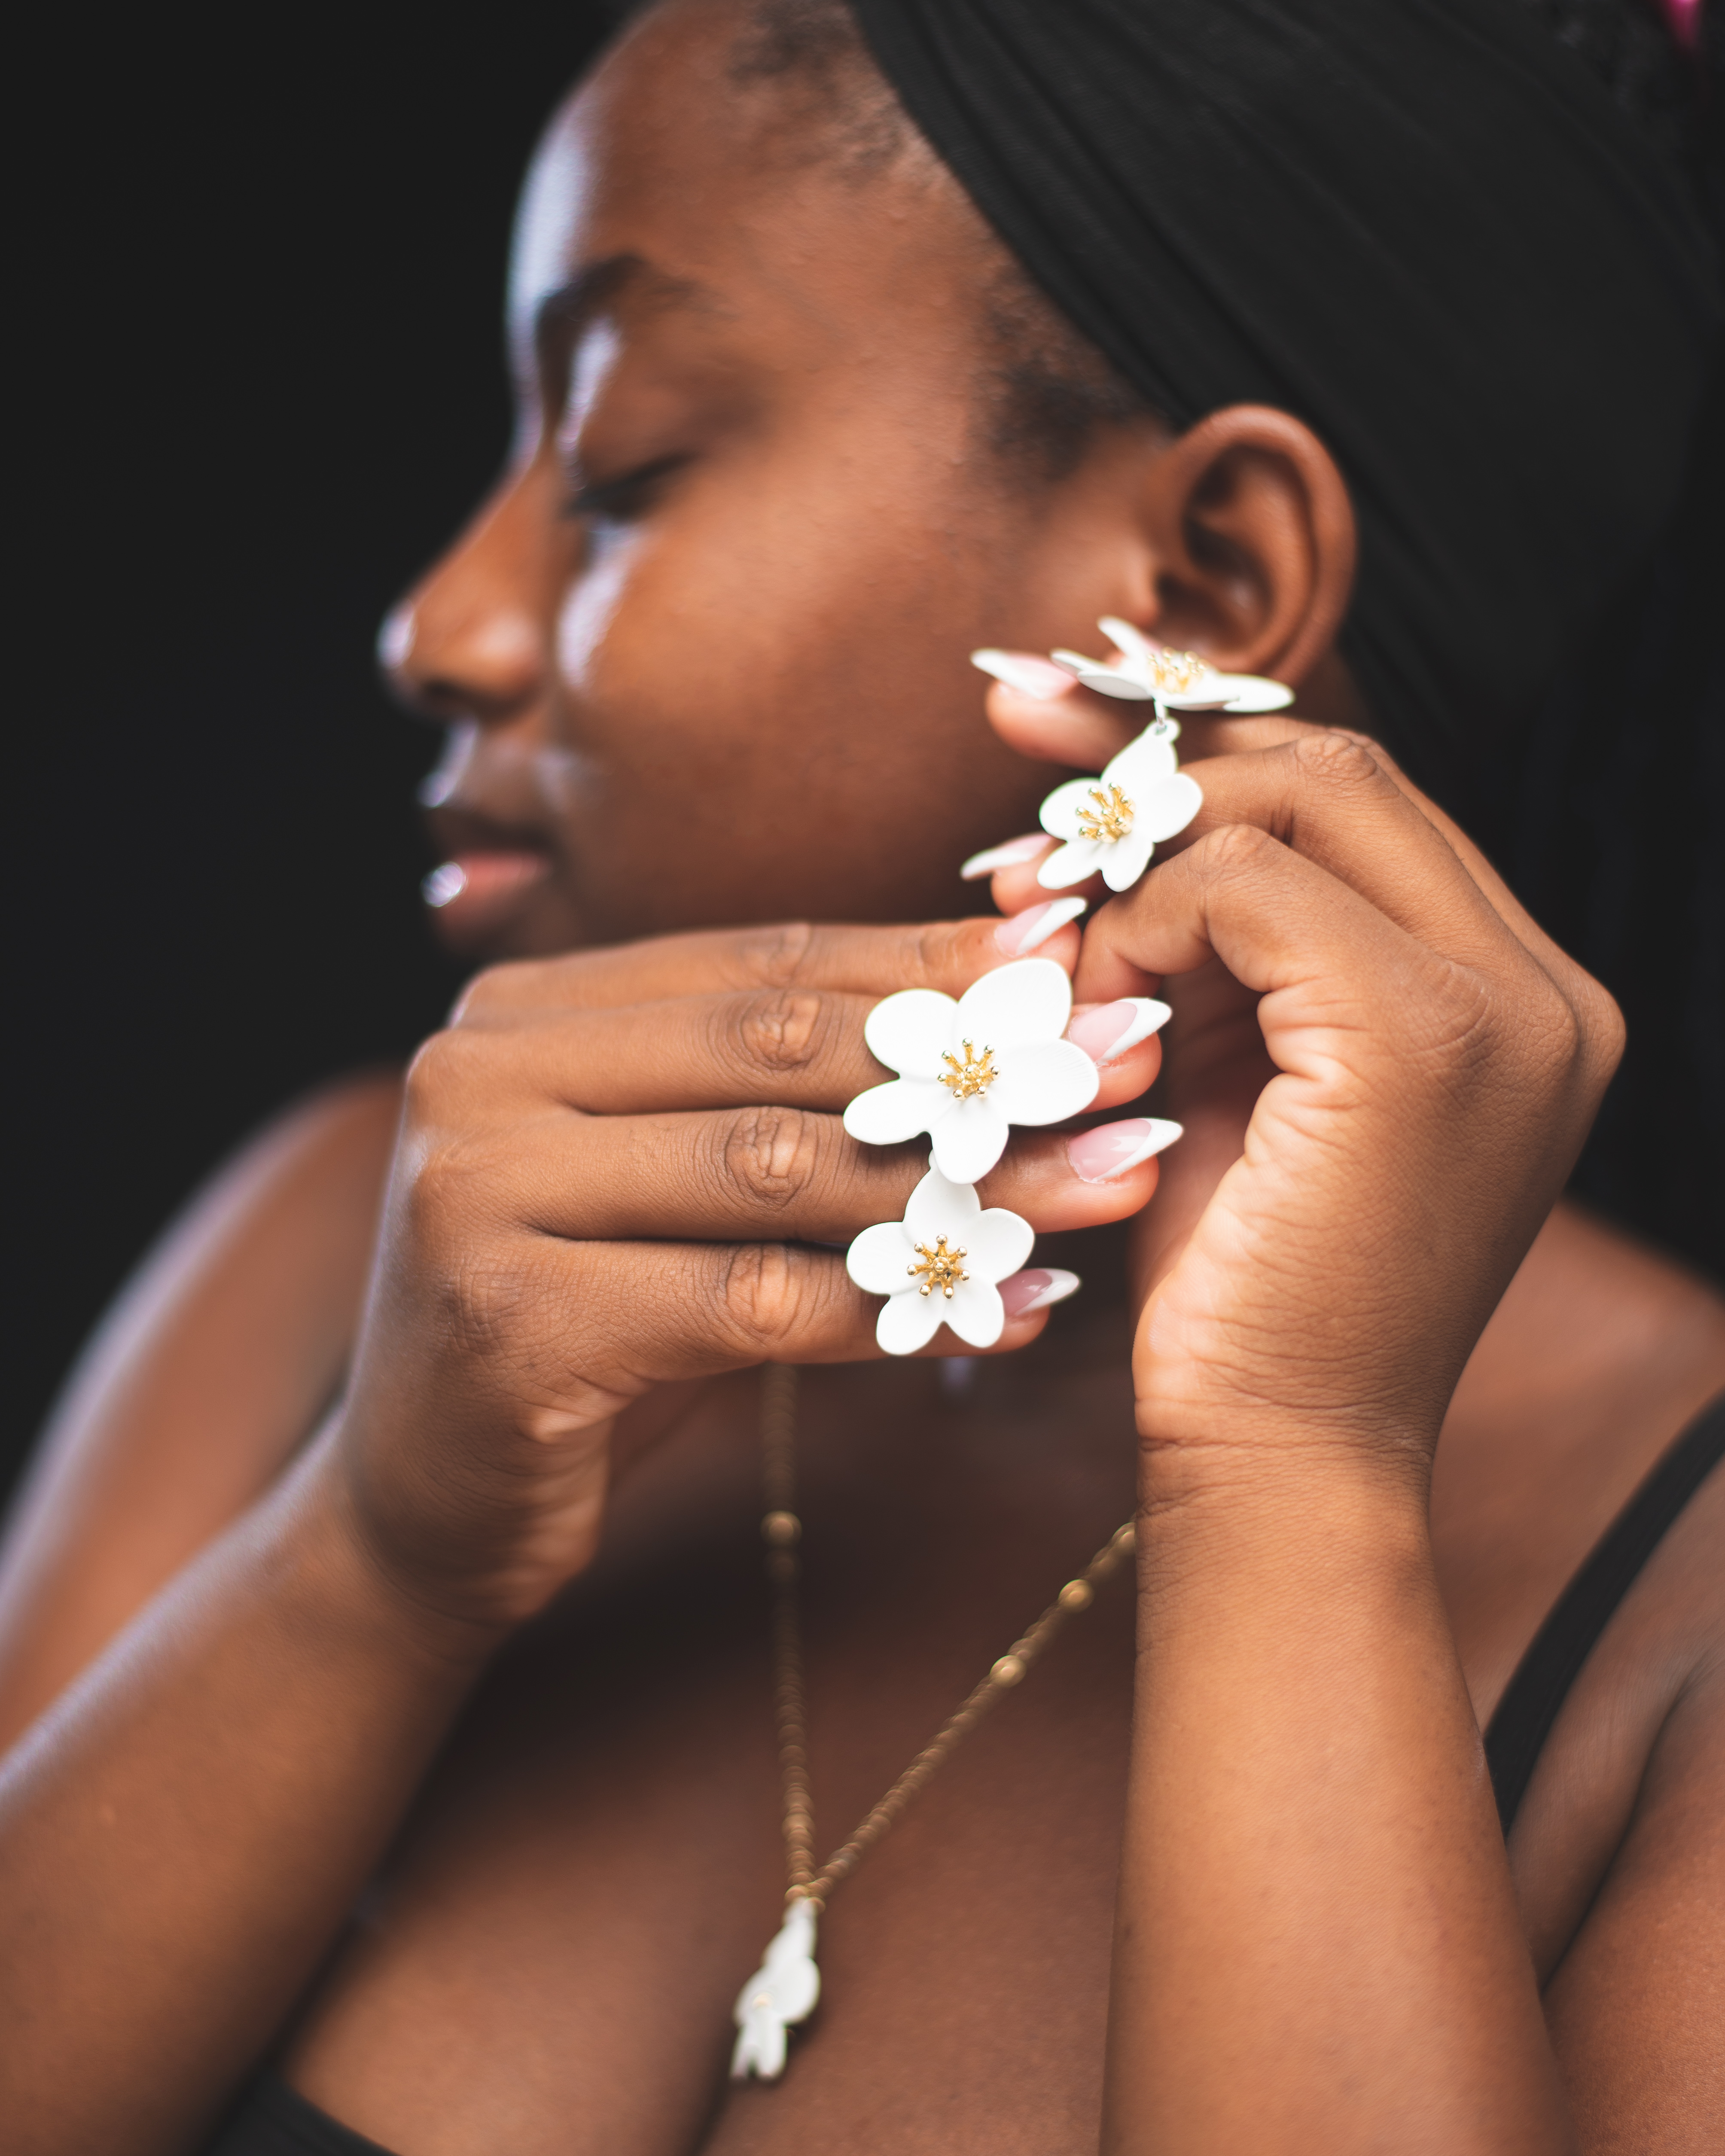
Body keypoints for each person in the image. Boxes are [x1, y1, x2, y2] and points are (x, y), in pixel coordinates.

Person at [2, 1, 1721, 2149]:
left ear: (1204, 582)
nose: (439, 622)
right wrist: (370, 1561)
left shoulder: (1684, 1632)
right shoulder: (345, 1267)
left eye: (617, 466)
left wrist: (1290, 1471)